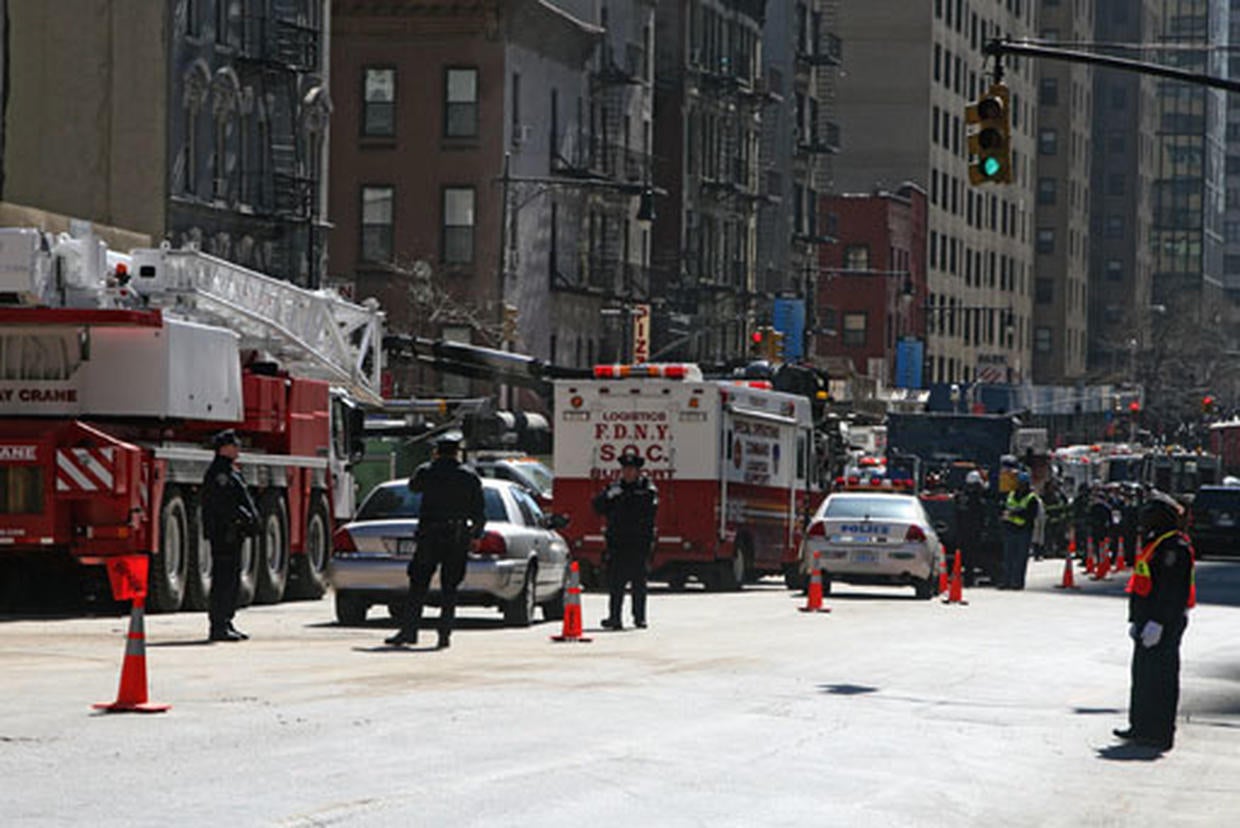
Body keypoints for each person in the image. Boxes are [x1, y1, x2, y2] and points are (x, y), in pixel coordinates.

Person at [386, 431, 486, 650]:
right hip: (457, 536)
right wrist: (477, 535)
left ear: (436, 452)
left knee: (418, 584)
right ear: (457, 453)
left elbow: (413, 486)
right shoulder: (469, 476)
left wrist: (431, 465)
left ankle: (409, 631)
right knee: (450, 587)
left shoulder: (426, 471)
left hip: (430, 535)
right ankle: (444, 634)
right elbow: (479, 510)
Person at [1113, 491, 1195, 752]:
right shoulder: (1156, 543)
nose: (1145, 518)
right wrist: (1137, 619)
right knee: (1143, 676)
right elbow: (1142, 585)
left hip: (1163, 623)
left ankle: (1159, 732)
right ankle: (1140, 726)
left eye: (1151, 512)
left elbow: (1172, 590)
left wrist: (1158, 622)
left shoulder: (1174, 547)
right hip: (1147, 621)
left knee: (1161, 677)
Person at [200, 429, 260, 642]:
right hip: (225, 534)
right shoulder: (220, 473)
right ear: (224, 448)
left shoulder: (229, 470)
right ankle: (219, 625)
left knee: (231, 579)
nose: (238, 448)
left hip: (233, 534)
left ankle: (226, 621)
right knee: (223, 580)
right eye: (234, 445)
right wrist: (243, 517)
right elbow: (225, 505)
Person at [592, 450, 659, 630]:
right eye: (625, 469)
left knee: (639, 583)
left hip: (638, 544)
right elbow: (597, 507)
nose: (628, 473)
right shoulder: (615, 488)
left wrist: (626, 496)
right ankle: (614, 617)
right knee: (616, 583)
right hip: (618, 544)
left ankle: (639, 617)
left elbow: (649, 509)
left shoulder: (646, 489)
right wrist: (608, 495)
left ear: (638, 471)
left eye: (632, 470)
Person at [1000, 471, 1038, 589]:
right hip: (1010, 529)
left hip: (1024, 531)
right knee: (1008, 558)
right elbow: (1004, 508)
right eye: (1019, 483)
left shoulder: (1032, 498)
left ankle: (1017, 582)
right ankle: (1006, 581)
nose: (1021, 486)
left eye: (1023, 484)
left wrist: (1015, 513)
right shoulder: (1011, 495)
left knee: (1020, 559)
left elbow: (1031, 515)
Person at [954, 470, 990, 587]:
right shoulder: (977, 498)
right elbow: (982, 513)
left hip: (962, 530)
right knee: (970, 557)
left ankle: (961, 577)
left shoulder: (961, 496)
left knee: (963, 556)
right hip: (973, 531)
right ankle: (968, 579)